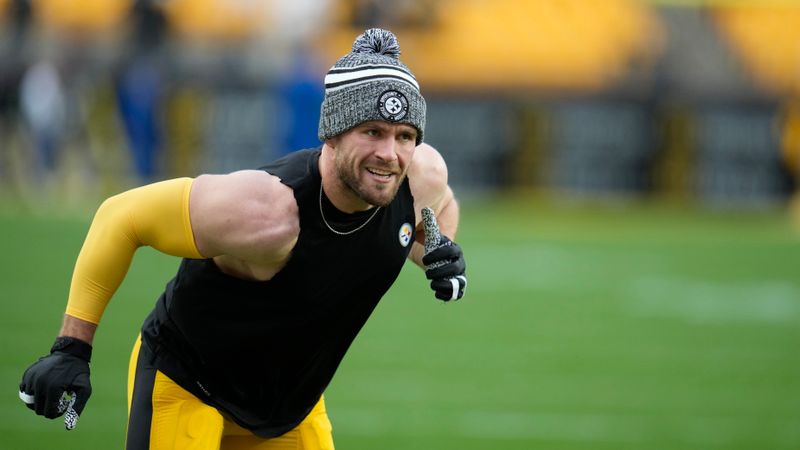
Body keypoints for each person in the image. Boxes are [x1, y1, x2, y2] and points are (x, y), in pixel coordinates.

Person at [18, 28, 467, 450]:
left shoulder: (419, 177)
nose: (389, 153)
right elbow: (121, 216)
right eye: (371, 131)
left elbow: (440, 208)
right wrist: (73, 347)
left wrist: (437, 251)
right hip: (190, 385)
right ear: (333, 132)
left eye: (404, 136)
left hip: (290, 408)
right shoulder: (268, 212)